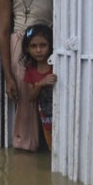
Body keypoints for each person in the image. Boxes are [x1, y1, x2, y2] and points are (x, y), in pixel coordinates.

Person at [0, 0, 53, 151]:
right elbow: (2, 32)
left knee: (53, 94)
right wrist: (8, 76)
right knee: (26, 105)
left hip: (50, 43)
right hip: (20, 47)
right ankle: (26, 153)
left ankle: (55, 150)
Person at [22, 24, 57, 152]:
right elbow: (31, 97)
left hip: (63, 116)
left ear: (51, 45)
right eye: (33, 46)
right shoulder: (30, 71)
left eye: (43, 45)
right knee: (52, 148)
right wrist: (41, 83)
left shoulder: (58, 66)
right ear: (27, 49)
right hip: (46, 120)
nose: (38, 50)